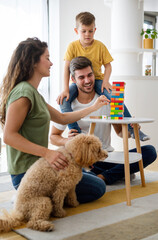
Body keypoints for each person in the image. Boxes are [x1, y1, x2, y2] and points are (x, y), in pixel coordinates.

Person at [0, 38, 108, 203]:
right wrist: (48, 153)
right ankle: (32, 198)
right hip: (27, 174)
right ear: (34, 62)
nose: (51, 63)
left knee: (86, 174)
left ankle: (42, 195)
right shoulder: (23, 93)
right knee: (98, 187)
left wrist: (94, 106)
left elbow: (62, 117)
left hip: (41, 166)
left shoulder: (33, 93)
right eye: (47, 58)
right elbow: (9, 136)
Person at [51, 56, 157, 185]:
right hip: (84, 160)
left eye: (90, 75)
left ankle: (103, 177)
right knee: (62, 166)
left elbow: (119, 133)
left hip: (106, 156)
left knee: (149, 151)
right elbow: (53, 136)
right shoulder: (67, 105)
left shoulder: (107, 100)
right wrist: (66, 140)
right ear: (73, 79)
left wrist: (132, 129)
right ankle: (118, 172)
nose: (87, 80)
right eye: (81, 77)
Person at [57, 11, 150, 141]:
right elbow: (66, 69)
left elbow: (108, 66)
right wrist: (66, 89)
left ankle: (133, 129)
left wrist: (106, 81)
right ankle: (76, 132)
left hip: (98, 80)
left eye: (90, 31)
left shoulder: (100, 46)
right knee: (63, 102)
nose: (87, 34)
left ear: (95, 30)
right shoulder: (72, 46)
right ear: (76, 31)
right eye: (83, 31)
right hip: (79, 83)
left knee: (116, 97)